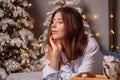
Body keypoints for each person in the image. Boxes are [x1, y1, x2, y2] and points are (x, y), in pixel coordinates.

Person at [42, 7, 103, 80]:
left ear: (72, 25)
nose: (53, 25)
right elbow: (49, 78)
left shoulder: (90, 45)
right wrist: (55, 57)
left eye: (60, 22)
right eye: (53, 21)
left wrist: (60, 64)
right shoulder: (55, 46)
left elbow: (80, 79)